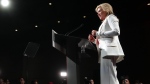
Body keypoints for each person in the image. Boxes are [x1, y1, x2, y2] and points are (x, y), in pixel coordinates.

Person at [88, 3, 125, 84]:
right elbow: (104, 39)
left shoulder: (111, 17)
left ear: (106, 10)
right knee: (107, 76)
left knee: (109, 76)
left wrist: (98, 33)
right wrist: (94, 41)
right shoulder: (105, 22)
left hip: (109, 51)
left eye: (100, 11)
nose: (98, 14)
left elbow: (116, 31)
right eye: (97, 12)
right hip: (105, 51)